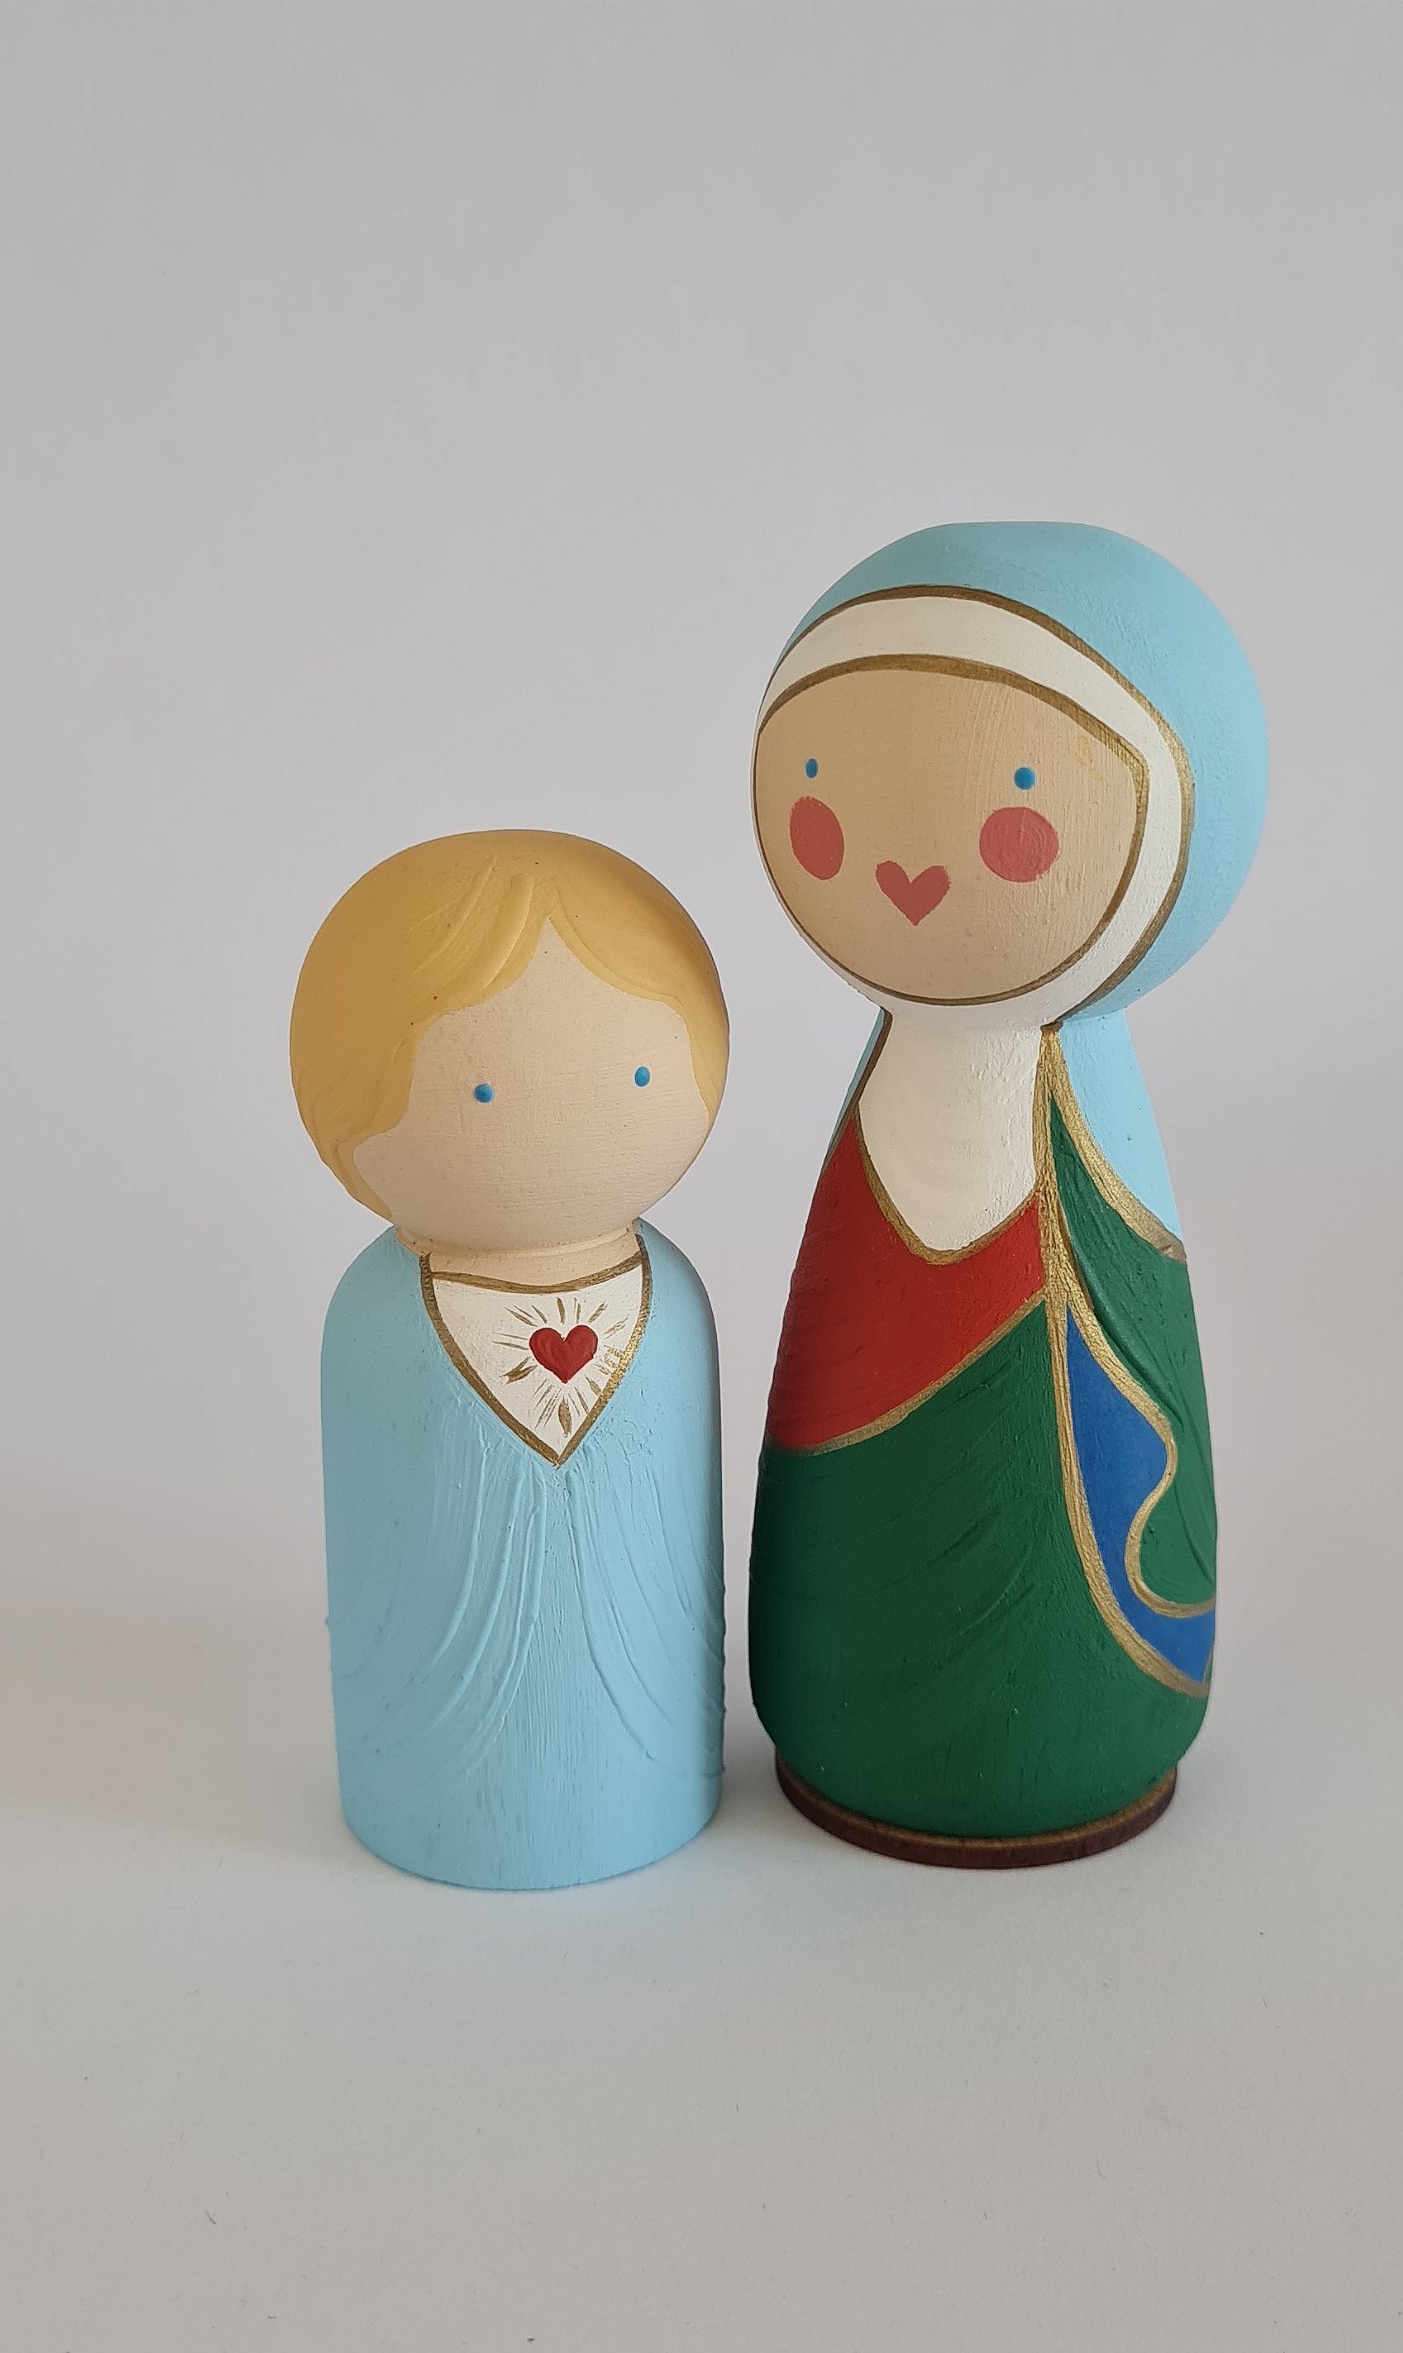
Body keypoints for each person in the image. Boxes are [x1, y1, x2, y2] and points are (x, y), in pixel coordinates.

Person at [746, 523, 1268, 1865]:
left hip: (1045, 1349)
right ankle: (849, 1696)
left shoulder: (1091, 1113)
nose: (903, 874)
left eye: (1015, 821)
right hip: (875, 1338)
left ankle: (1092, 1711)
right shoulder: (893, 1091)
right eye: (824, 804)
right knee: (851, 1482)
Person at [290, 830, 729, 1887]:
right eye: (482, 1090)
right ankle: (452, 1808)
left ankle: (642, 1780)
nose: (566, 1114)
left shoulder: (668, 1306)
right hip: (420, 1791)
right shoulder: (378, 1324)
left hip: (655, 1770)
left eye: (638, 1073)